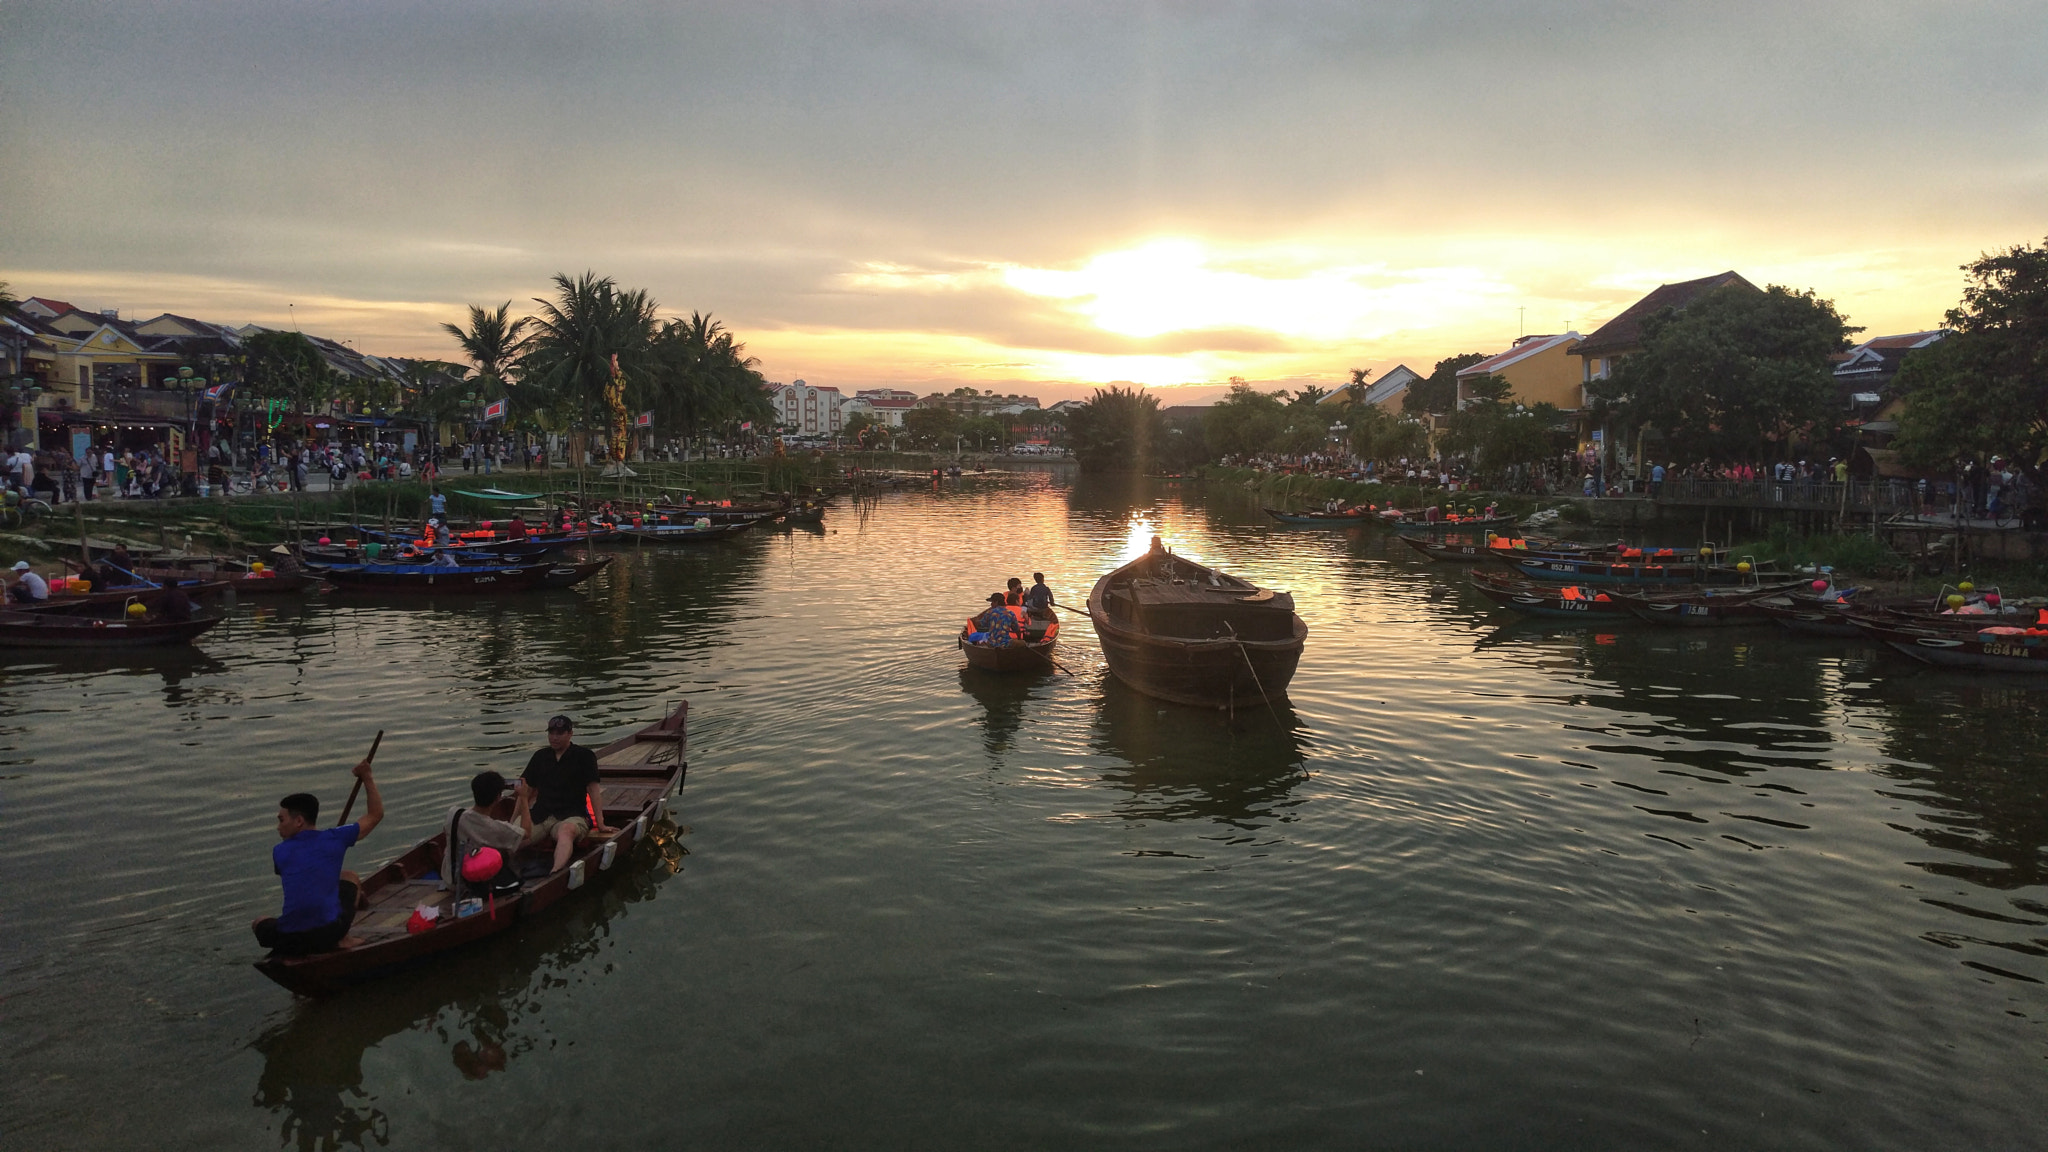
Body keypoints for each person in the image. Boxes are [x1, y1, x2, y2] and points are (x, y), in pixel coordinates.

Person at [252, 755, 383, 956]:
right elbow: (375, 815)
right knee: (350, 877)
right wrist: (367, 777)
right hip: (327, 933)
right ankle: (344, 939)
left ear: (299, 821)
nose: (278, 827)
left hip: (288, 937)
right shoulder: (335, 838)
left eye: (281, 820)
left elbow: (303, 877)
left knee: (259, 922)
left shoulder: (279, 851)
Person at [521, 715, 612, 873]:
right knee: (516, 836)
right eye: (551, 733)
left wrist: (601, 823)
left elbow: (593, 790)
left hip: (572, 814)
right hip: (541, 814)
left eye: (559, 733)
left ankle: (555, 872)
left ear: (570, 733)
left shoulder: (584, 756)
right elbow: (525, 790)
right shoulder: (540, 757)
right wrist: (511, 820)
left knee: (566, 831)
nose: (554, 738)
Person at [441, 769, 533, 895]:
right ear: (498, 797)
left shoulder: (453, 814)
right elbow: (527, 832)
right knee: (511, 849)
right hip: (472, 884)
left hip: (449, 878)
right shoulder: (495, 828)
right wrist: (523, 798)